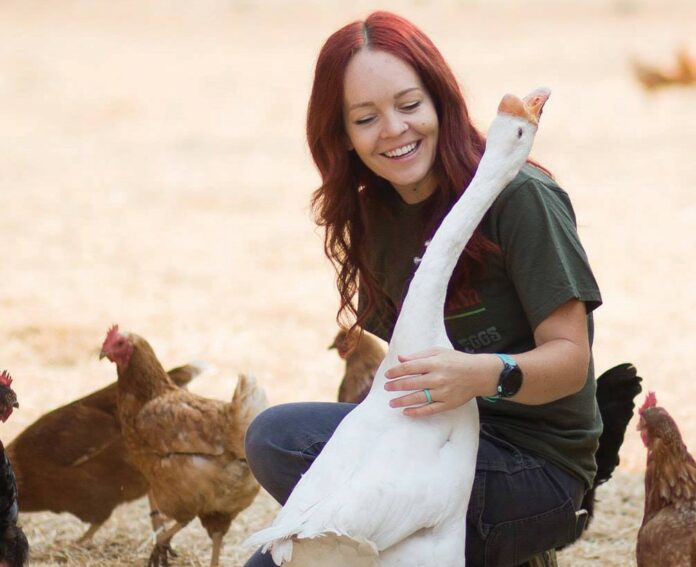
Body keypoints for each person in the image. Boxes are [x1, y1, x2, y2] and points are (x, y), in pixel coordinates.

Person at [244, 11, 602, 567]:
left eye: (409, 105)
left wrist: (478, 375)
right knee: (275, 438)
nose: (393, 129)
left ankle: (515, 547)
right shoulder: (374, 216)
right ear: (343, 135)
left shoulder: (521, 198)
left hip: (534, 465)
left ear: (440, 101)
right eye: (366, 118)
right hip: (431, 444)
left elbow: (570, 361)